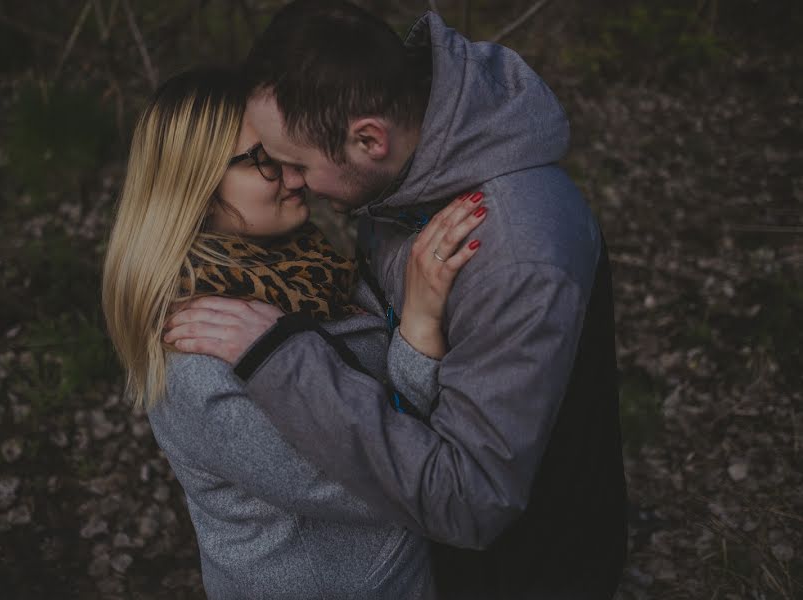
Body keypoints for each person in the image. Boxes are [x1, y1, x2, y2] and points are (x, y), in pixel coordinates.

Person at [167, 2, 628, 598]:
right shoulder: (408, 179)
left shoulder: (515, 254)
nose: (293, 182)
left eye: (295, 163)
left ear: (368, 138)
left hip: (523, 572)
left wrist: (282, 360)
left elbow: (470, 501)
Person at [100, 67, 487, 599]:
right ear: (198, 190)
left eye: (286, 148)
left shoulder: (297, 265)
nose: (296, 174)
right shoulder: (202, 358)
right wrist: (418, 327)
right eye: (264, 160)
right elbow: (386, 479)